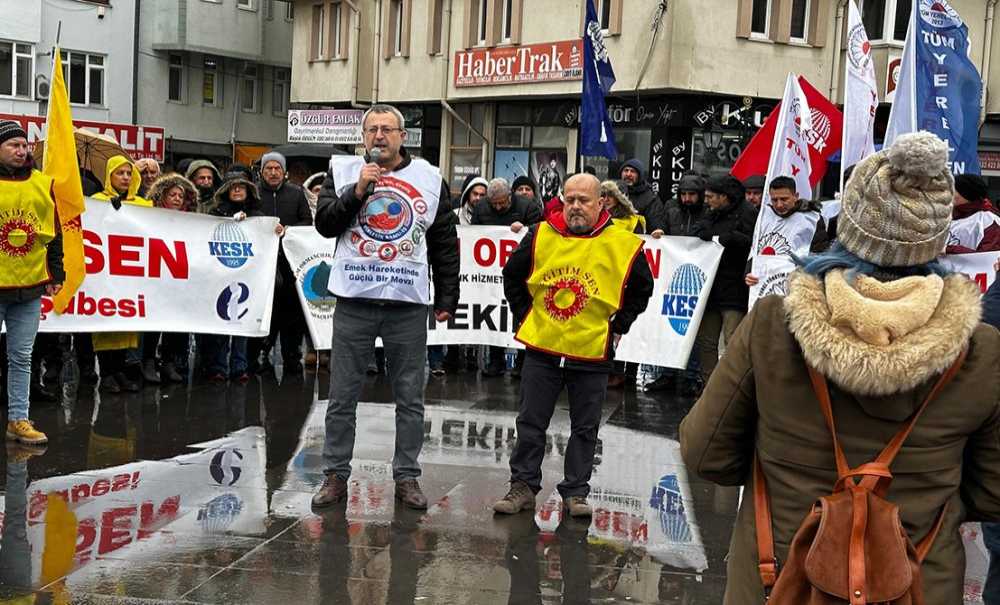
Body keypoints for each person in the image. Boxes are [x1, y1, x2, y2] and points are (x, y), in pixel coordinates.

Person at [680, 131, 1000, 604]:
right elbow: (992, 492)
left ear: (848, 226)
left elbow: (706, 453)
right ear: (936, 239)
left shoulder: (773, 326)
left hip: (779, 580)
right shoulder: (981, 350)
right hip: (919, 585)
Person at [311, 104, 460, 510]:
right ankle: (335, 475)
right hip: (355, 302)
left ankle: (407, 476)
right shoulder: (343, 172)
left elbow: (444, 242)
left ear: (402, 137)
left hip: (406, 305)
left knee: (410, 397)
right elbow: (325, 224)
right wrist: (357, 191)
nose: (379, 136)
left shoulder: (429, 178)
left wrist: (447, 296)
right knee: (342, 396)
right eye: (372, 129)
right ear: (363, 137)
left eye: (387, 129)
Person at [493, 173, 653, 517]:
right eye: (570, 200)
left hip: (591, 351)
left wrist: (618, 326)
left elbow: (642, 289)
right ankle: (522, 486)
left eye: (584, 200)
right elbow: (512, 276)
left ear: (601, 203)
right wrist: (527, 316)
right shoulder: (540, 234)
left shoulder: (623, 243)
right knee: (530, 422)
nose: (576, 206)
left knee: (585, 426)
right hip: (543, 348)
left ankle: (576, 491)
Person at [0, 120, 62, 445]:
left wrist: (56, 273)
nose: (21, 150)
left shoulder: (42, 183)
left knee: (22, 357)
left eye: (24, 145)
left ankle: (18, 420)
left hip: (29, 285)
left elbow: (54, 233)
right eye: (14, 145)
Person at [92, 155, 153, 393]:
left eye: (129, 173)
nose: (126, 177)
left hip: (131, 273)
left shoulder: (143, 205)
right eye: (120, 173)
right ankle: (107, 373)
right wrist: (109, 211)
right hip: (106, 272)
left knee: (126, 323)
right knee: (106, 321)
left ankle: (119, 370)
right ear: (109, 176)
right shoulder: (97, 201)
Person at [688, 175, 756, 384]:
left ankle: (732, 388)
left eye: (710, 197)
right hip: (711, 287)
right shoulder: (712, 213)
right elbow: (697, 229)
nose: (706, 201)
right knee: (706, 341)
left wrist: (730, 238)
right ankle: (709, 386)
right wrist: (708, 234)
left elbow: (752, 242)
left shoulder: (748, 213)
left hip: (735, 288)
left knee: (733, 341)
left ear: (724, 197)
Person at [472, 178, 543, 377]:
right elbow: (474, 234)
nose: (498, 207)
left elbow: (540, 232)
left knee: (521, 315)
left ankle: (521, 363)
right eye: (494, 203)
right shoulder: (481, 208)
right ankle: (496, 361)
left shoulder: (528, 207)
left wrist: (526, 227)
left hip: (520, 274)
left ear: (510, 196)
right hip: (490, 275)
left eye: (502, 203)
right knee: (494, 315)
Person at [252, 151, 312, 375]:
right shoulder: (254, 193)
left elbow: (307, 221)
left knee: (292, 313)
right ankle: (261, 354)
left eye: (277, 168)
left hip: (290, 263)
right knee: (267, 312)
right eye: (269, 168)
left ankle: (292, 356)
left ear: (284, 172)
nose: (273, 172)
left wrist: (288, 231)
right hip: (262, 264)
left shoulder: (296, 193)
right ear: (262, 172)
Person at [204, 172, 265, 383]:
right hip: (220, 275)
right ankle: (218, 367)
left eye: (242, 186)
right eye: (233, 187)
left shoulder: (258, 216)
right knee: (221, 321)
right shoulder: (215, 213)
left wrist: (274, 230)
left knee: (242, 322)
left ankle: (240, 367)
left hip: (248, 276)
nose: (237, 190)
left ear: (249, 190)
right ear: (226, 191)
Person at [143, 173, 198, 383]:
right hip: (155, 276)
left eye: (180, 196)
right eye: (172, 194)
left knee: (174, 320)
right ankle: (148, 361)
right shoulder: (149, 216)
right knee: (153, 322)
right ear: (163, 196)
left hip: (178, 278)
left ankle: (168, 362)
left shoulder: (191, 220)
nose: (177, 199)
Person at [744, 176, 829, 288]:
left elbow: (819, 255)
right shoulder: (763, 217)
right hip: (764, 286)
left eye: (784, 199)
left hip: (798, 285)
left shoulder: (811, 220)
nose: (779, 205)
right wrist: (748, 274)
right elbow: (755, 250)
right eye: (774, 200)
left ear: (796, 196)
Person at [946, 173, 1000, 253]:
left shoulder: (989, 221)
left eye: (954, 190)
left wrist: (949, 250)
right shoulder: (946, 216)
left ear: (966, 193)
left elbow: (988, 256)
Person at [620, 159, 666, 234]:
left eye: (632, 171)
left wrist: (658, 231)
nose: (628, 174)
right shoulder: (615, 192)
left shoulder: (650, 198)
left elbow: (656, 223)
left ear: (640, 176)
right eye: (626, 170)